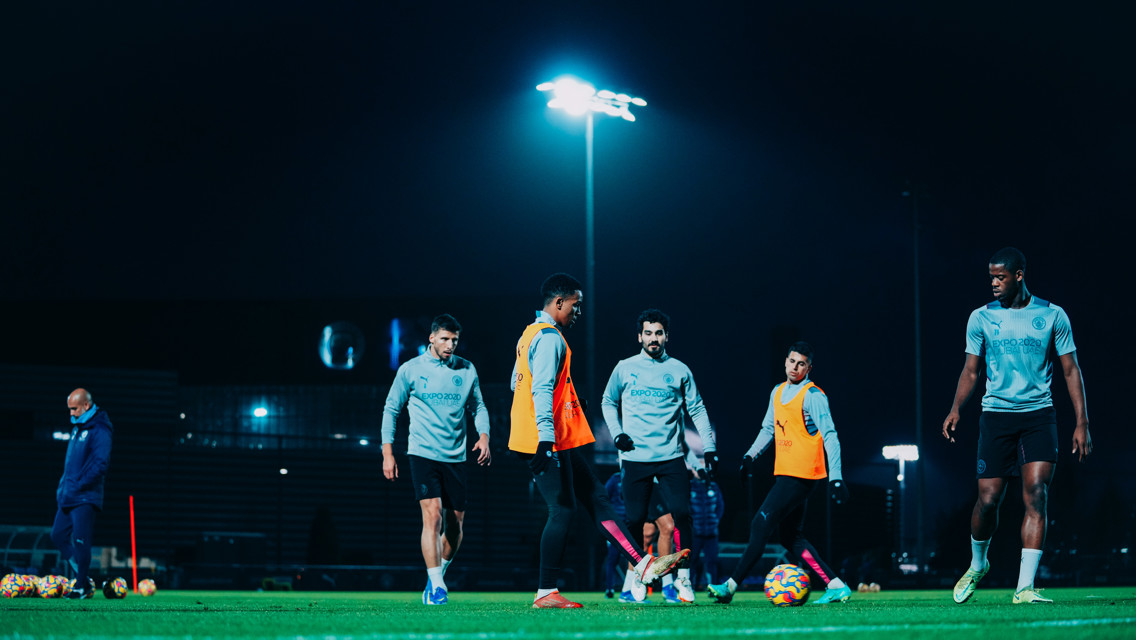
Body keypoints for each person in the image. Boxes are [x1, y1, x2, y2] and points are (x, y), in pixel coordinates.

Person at [509, 273, 689, 609]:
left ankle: (641, 563)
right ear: (559, 302)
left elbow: (515, 384)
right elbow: (541, 388)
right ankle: (546, 591)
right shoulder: (550, 338)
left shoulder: (528, 334)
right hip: (545, 439)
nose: (578, 311)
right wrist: (545, 438)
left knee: (596, 496)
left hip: (547, 436)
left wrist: (570, 405)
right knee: (562, 510)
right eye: (575, 305)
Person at [942, 247, 1091, 605]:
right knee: (989, 500)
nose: (993, 283)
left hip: (1039, 416)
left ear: (1019, 276)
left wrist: (1082, 421)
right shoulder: (980, 318)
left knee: (1037, 494)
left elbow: (1071, 370)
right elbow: (971, 370)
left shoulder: (1053, 315)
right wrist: (956, 408)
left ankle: (1024, 588)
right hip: (996, 417)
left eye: (1000, 277)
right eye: (991, 276)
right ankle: (978, 564)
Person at [708, 342, 852, 604]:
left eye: (802, 363)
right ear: (785, 361)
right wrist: (750, 456)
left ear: (809, 367)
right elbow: (768, 429)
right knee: (790, 537)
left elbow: (830, 436)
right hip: (785, 473)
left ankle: (729, 587)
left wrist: (837, 478)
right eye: (792, 361)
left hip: (802, 476)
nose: (795, 367)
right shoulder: (777, 392)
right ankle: (836, 585)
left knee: (759, 524)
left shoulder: (813, 396)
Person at [601, 308, 719, 603]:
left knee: (681, 515)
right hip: (634, 458)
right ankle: (637, 578)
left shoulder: (680, 370)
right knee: (635, 520)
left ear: (667, 336)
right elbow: (607, 402)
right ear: (639, 336)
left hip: (670, 458)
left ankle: (683, 580)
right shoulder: (625, 367)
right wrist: (618, 434)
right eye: (648, 333)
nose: (654, 338)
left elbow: (698, 410)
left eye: (659, 333)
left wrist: (710, 447)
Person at [381, 314, 492, 606]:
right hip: (422, 453)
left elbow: (478, 406)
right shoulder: (411, 369)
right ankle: (438, 586)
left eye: (454, 340)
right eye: (444, 338)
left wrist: (484, 436)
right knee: (433, 516)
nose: (450, 344)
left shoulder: (467, 369)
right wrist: (388, 453)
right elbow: (391, 409)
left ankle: (436, 575)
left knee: (455, 526)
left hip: (455, 457)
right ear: (431, 338)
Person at [52, 388, 113, 600]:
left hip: (85, 496)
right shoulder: (78, 427)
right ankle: (83, 579)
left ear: (86, 405)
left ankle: (81, 586)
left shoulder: (100, 429)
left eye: (74, 409)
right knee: (57, 535)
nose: (71, 413)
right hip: (69, 495)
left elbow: (100, 464)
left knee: (80, 540)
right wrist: (64, 487)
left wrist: (79, 484)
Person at [689, 471, 725, 589]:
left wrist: (715, 521)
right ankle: (689, 587)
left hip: (711, 533)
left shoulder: (713, 486)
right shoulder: (689, 486)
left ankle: (713, 588)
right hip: (695, 533)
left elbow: (720, 506)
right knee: (692, 560)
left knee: (712, 561)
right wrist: (691, 525)